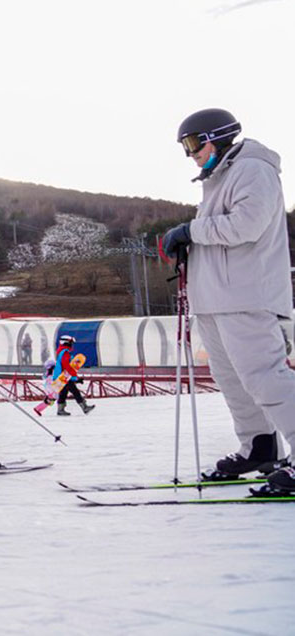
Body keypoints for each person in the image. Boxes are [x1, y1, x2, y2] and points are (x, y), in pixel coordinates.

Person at [164, 108, 295, 491]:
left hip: (247, 296)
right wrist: (189, 244)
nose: (191, 154)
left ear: (217, 137)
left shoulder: (254, 169)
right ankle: (259, 445)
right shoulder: (217, 179)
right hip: (215, 300)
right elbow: (217, 238)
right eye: (184, 147)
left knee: (266, 379)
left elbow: (247, 225)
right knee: (234, 382)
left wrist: (190, 230)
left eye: (193, 144)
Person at [52, 335, 94, 416]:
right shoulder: (65, 353)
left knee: (63, 393)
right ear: (67, 343)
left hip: (61, 376)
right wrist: (75, 377)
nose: (72, 345)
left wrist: (75, 378)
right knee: (75, 391)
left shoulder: (61, 352)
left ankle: (60, 410)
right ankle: (84, 407)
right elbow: (67, 366)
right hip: (64, 376)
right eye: (71, 343)